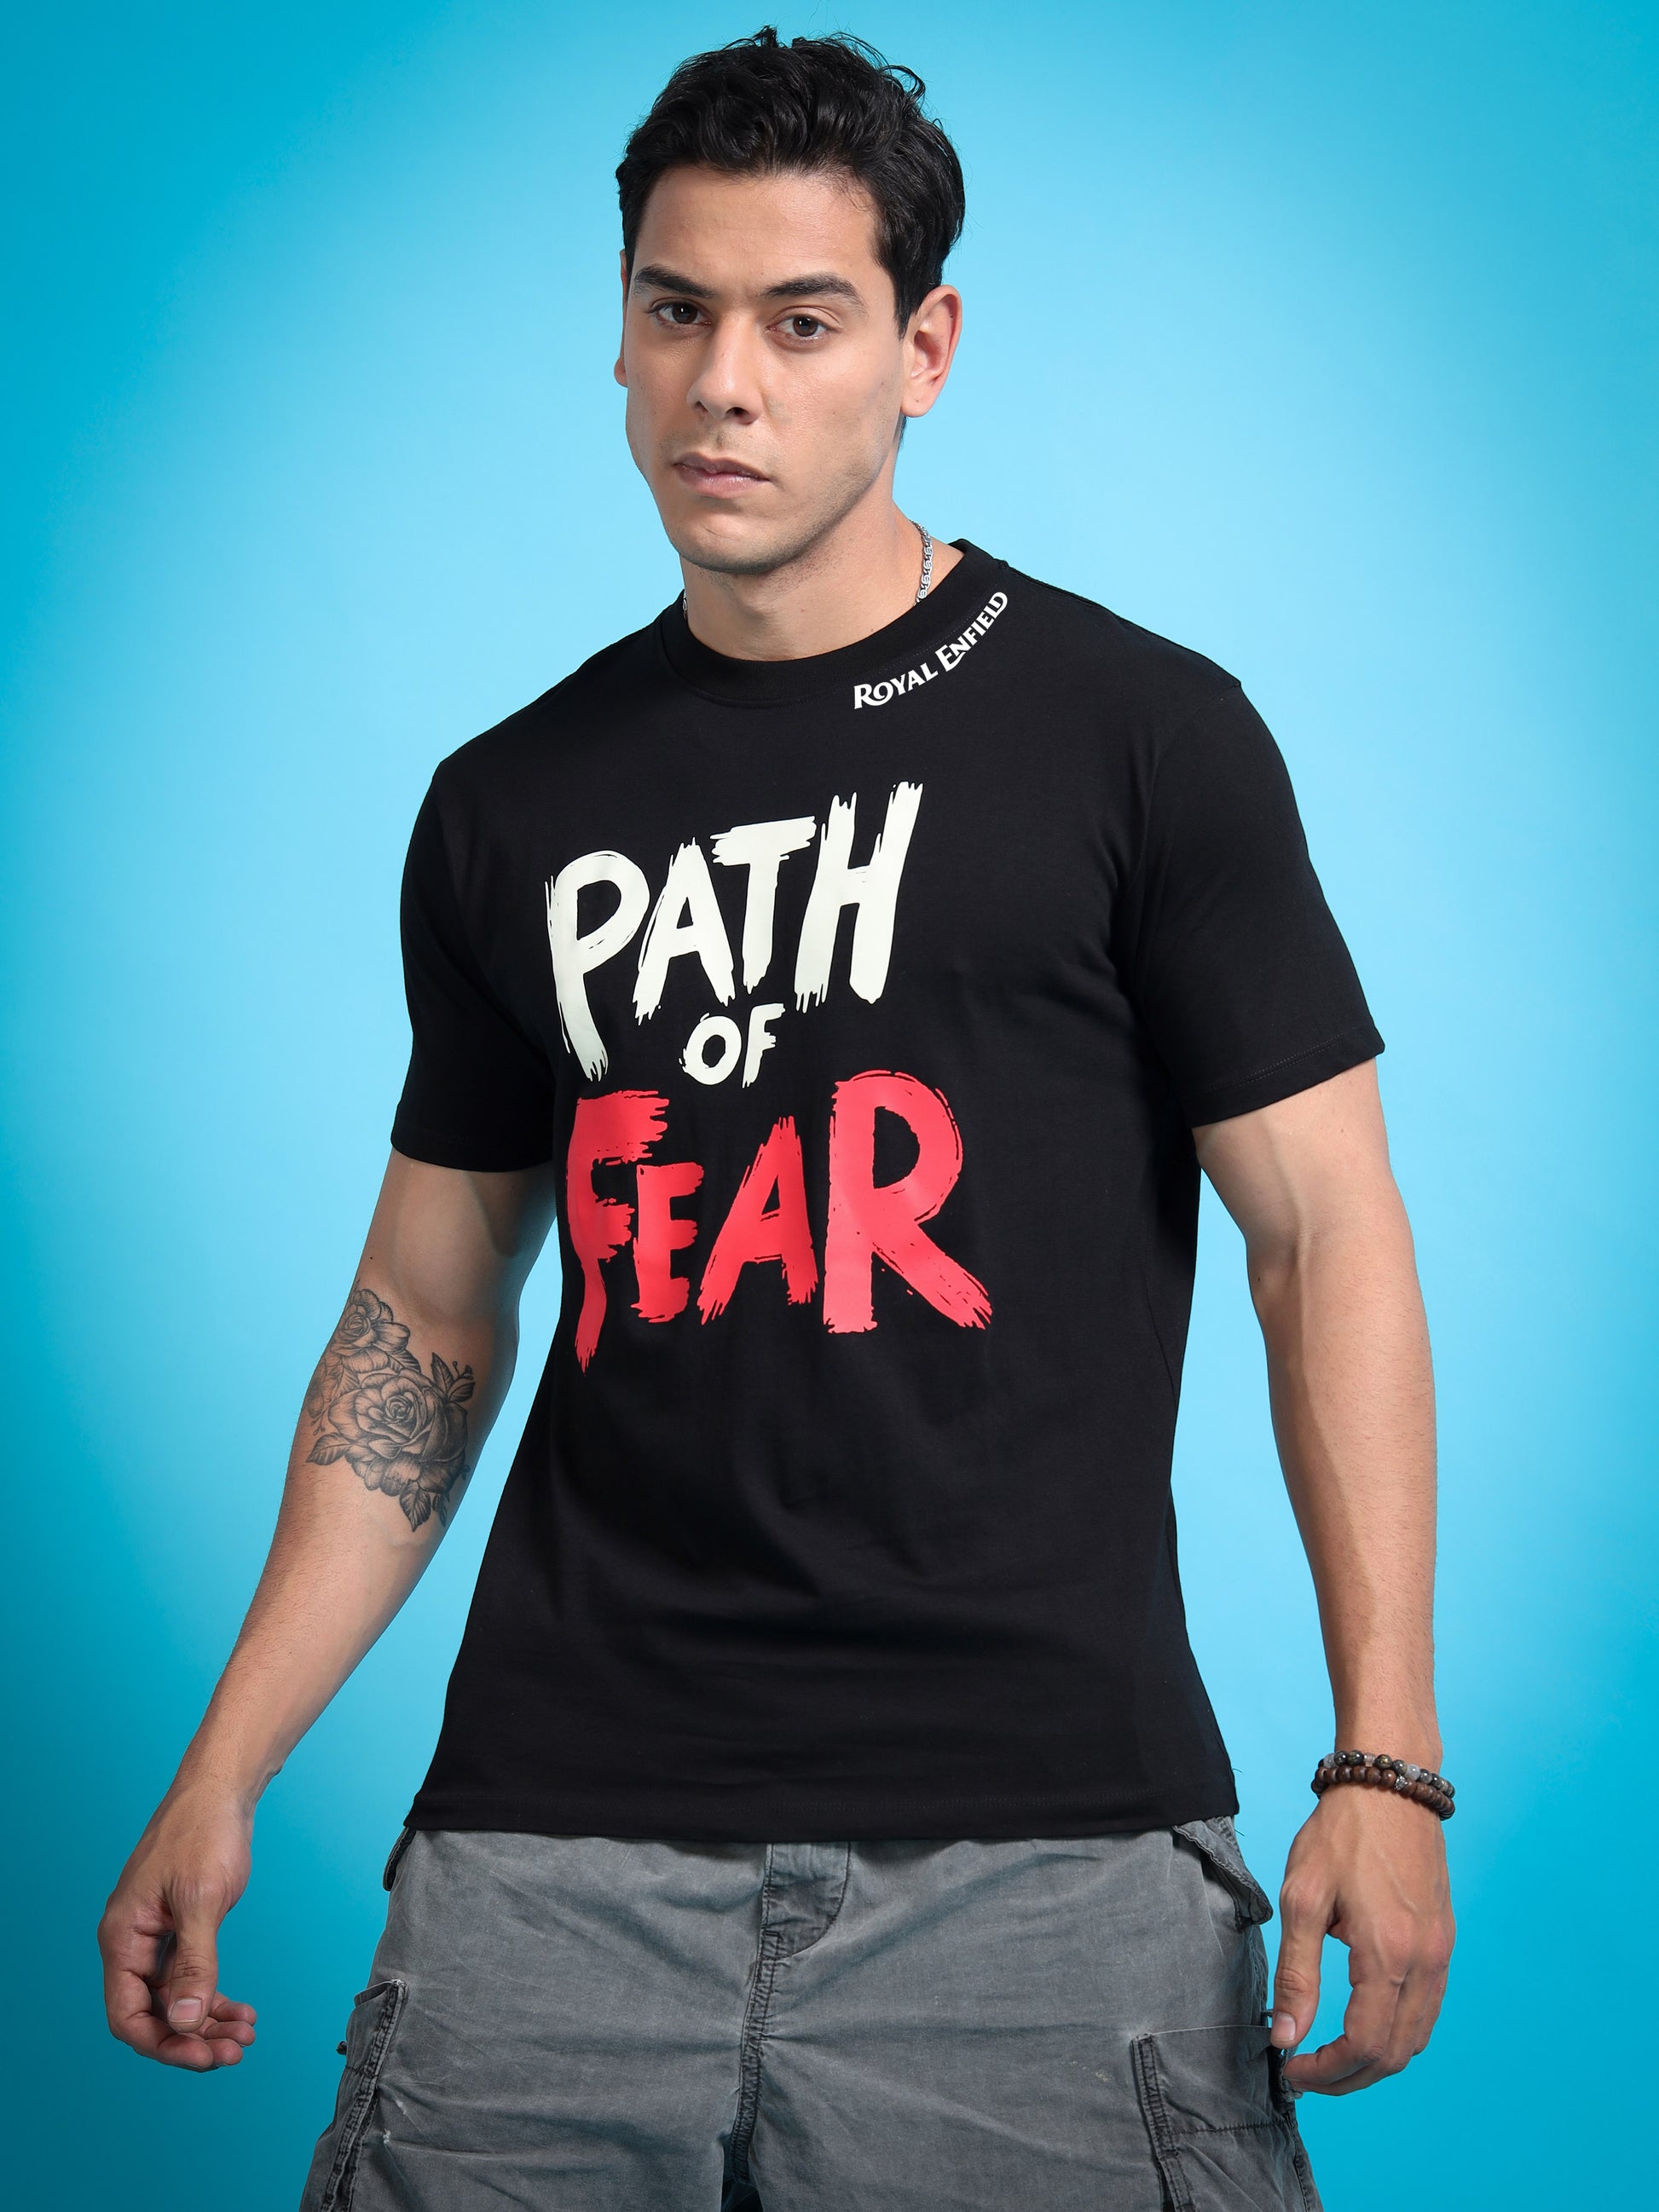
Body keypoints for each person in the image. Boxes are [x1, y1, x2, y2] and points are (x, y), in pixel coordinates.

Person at [98, 28, 1454, 2210]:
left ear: (923, 350)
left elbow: (1322, 1235)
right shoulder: (508, 803)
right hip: (549, 1851)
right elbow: (426, 1314)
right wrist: (226, 1759)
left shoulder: (1141, 737)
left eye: (801, 321)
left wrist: (1384, 1758)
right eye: (676, 310)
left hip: (1044, 1854)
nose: (722, 383)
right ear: (622, 337)